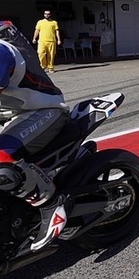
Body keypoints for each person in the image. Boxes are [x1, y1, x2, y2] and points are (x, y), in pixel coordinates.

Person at [0, 21, 70, 251]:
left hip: (42, 110)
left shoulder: (1, 52)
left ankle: (50, 203)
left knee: (0, 158)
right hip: (11, 112)